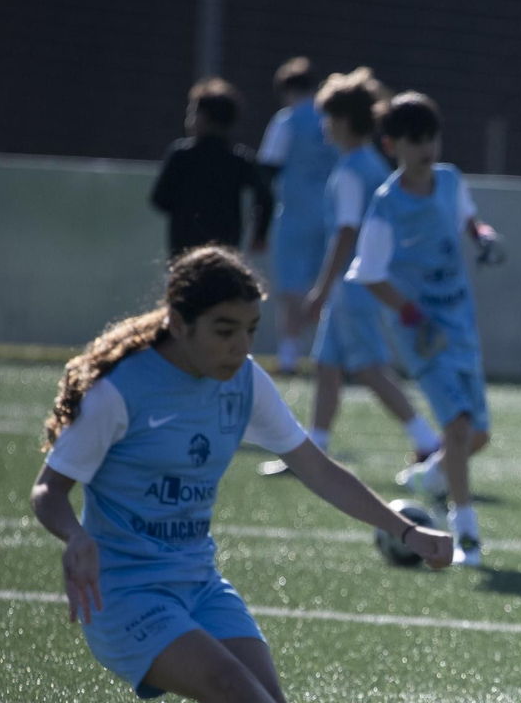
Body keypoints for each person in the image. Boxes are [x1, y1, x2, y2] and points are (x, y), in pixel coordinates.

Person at [29, 246, 452, 703]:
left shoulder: (244, 381)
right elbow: (50, 490)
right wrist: (74, 536)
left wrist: (403, 529)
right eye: (225, 329)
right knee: (235, 692)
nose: (240, 345)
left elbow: (315, 467)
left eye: (251, 329)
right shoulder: (120, 391)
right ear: (179, 322)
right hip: (125, 592)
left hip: (198, 580)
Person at [346, 92, 504, 567]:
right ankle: (467, 536)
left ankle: (427, 479)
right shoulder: (386, 204)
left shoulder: (450, 181)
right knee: (456, 427)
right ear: (392, 144)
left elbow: (468, 221)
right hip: (422, 335)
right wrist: (413, 315)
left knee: (477, 435)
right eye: (414, 140)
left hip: (460, 324)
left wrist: (482, 237)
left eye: (430, 136)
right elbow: (369, 273)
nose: (425, 147)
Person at [258, 68, 440, 477]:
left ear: (341, 122)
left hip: (354, 285)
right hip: (360, 283)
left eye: (327, 117)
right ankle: (315, 450)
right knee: (328, 365)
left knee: (369, 367)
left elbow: (346, 231)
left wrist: (321, 289)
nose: (323, 125)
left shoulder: (351, 170)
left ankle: (428, 441)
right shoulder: (369, 163)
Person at [256, 57, 338, 376]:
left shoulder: (286, 121)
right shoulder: (332, 120)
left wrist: (259, 223)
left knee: (291, 289)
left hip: (294, 214)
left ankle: (289, 356)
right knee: (326, 287)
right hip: (331, 216)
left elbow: (268, 170)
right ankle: (328, 356)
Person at [150, 77, 274, 257]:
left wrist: (186, 209)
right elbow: (266, 197)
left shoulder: (180, 155)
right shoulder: (239, 159)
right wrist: (259, 234)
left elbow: (159, 199)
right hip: (225, 250)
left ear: (204, 117)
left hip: (184, 250)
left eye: (192, 113)